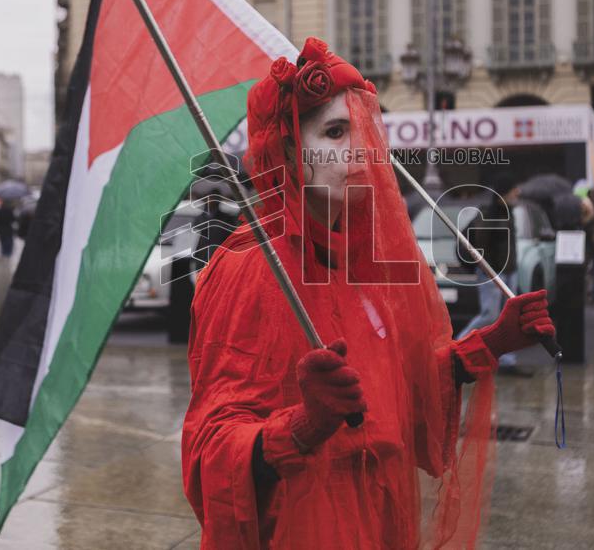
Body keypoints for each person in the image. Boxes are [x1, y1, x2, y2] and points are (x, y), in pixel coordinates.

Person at [182, 38, 556, 548]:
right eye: (335, 132)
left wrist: (486, 345)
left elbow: (400, 391)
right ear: (291, 148)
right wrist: (303, 426)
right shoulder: (250, 266)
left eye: (362, 128)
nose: (358, 148)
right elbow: (211, 450)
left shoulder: (368, 261)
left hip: (382, 520)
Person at [456, 173, 527, 376]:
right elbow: (478, 243)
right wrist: (490, 267)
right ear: (504, 193)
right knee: (490, 314)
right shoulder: (490, 212)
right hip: (493, 274)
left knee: (509, 317)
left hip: (509, 272)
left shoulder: (509, 211)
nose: (518, 192)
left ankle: (507, 360)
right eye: (514, 189)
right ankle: (458, 345)